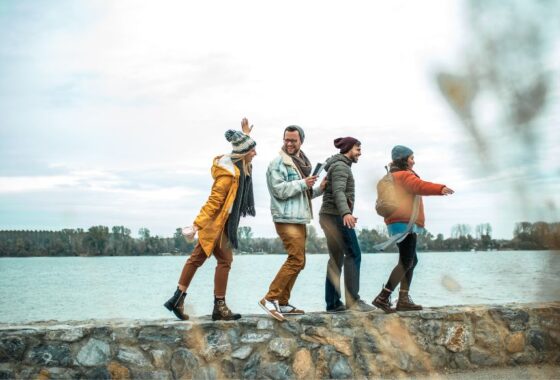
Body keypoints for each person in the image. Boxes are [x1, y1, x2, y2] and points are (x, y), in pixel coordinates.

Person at [164, 118, 257, 321]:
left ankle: (181, 299)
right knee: (210, 259)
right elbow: (213, 203)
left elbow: (244, 148)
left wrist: (246, 135)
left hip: (223, 225)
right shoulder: (227, 176)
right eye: (252, 151)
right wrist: (197, 225)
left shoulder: (239, 167)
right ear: (242, 155)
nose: (255, 154)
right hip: (215, 225)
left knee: (212, 259)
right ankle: (213, 305)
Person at [372, 145, 454, 313]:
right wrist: (440, 188)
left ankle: (403, 299)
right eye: (411, 158)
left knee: (411, 260)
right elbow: (419, 186)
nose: (414, 161)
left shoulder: (389, 177)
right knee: (406, 261)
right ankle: (383, 297)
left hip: (394, 222)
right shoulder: (404, 176)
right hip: (406, 221)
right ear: (403, 159)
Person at [259, 125, 326, 321]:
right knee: (295, 259)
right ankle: (270, 299)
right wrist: (304, 183)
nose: (289, 143)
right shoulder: (278, 163)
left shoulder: (301, 163)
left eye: (293, 140)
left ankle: (283, 302)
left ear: (301, 142)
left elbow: (302, 195)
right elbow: (279, 190)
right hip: (285, 219)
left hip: (298, 218)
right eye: (286, 139)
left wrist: (320, 188)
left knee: (300, 261)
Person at [319, 137, 375, 313]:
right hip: (336, 216)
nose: (360, 152)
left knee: (336, 260)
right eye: (358, 149)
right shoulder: (342, 167)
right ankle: (353, 301)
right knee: (354, 254)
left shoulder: (337, 166)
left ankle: (333, 303)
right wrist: (346, 213)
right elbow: (339, 192)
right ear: (349, 149)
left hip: (327, 216)